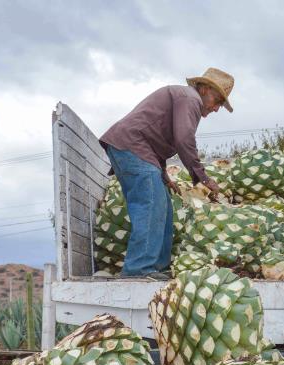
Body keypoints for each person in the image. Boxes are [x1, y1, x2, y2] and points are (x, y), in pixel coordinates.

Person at [99, 68, 233, 280]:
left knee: (164, 208)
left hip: (135, 148)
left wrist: (164, 176)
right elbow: (183, 139)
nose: (216, 108)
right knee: (150, 205)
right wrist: (203, 177)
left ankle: (157, 268)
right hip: (132, 146)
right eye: (217, 101)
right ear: (205, 89)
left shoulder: (184, 99)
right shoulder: (190, 99)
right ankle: (138, 270)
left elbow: (156, 140)